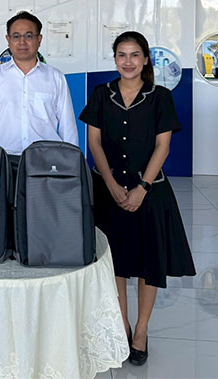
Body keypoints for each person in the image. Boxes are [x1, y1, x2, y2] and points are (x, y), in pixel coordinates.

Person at [79, 31, 195, 367]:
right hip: (108, 191)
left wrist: (142, 188)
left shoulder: (160, 97)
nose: (127, 62)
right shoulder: (101, 94)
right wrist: (112, 185)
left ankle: (141, 331)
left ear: (145, 60)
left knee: (148, 264)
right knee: (114, 262)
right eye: (121, 55)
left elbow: (163, 146)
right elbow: (94, 142)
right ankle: (122, 326)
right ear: (114, 59)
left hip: (150, 192)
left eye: (134, 55)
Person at [0, 11, 78, 157]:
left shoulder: (55, 78)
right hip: (4, 159)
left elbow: (68, 126)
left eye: (28, 36)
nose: (22, 42)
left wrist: (71, 160)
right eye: (16, 36)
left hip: (45, 159)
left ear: (39, 39)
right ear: (8, 40)